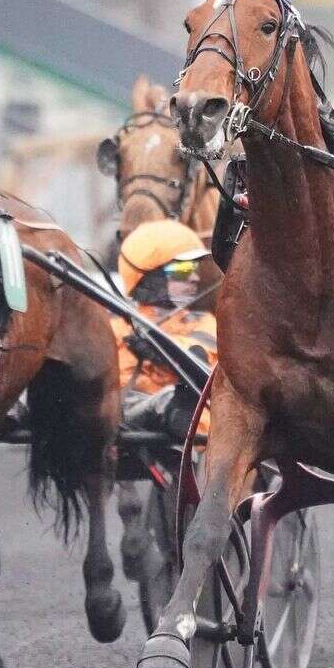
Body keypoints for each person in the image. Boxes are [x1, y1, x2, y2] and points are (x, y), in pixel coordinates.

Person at [112, 220, 219, 577]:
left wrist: (160, 352)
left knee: (177, 399)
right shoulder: (118, 325)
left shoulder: (204, 323)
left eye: (194, 270)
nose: (193, 279)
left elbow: (203, 361)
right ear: (151, 277)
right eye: (182, 270)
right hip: (127, 412)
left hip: (190, 421)